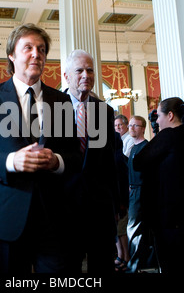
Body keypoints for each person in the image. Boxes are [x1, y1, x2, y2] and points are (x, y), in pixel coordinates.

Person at [0, 23, 81, 273]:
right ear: (12, 55)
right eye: (28, 47)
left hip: (53, 218)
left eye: (41, 49)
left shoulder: (60, 100)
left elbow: (75, 156)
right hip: (5, 218)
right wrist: (10, 162)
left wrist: (56, 161)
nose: (36, 54)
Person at [133, 97, 184, 273]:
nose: (157, 121)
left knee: (172, 267)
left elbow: (138, 162)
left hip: (171, 221)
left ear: (170, 115)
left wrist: (157, 134)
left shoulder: (168, 136)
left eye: (159, 116)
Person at [62, 49, 118, 273]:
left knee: (102, 264)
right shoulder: (52, 106)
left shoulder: (104, 111)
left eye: (90, 70)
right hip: (64, 204)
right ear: (66, 76)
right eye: (79, 70)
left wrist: (116, 202)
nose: (86, 75)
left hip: (100, 206)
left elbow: (110, 160)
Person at [125, 115, 156, 273]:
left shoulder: (146, 147)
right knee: (133, 230)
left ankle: (135, 266)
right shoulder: (133, 148)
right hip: (133, 191)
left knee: (135, 230)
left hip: (141, 192)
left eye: (135, 125)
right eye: (130, 125)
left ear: (143, 128)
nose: (131, 128)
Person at [113, 115, 130, 271]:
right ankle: (121, 255)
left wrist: (122, 201)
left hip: (120, 196)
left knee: (121, 230)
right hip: (117, 195)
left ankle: (125, 257)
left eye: (120, 124)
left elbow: (121, 173)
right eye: (115, 125)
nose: (117, 127)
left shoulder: (121, 145)